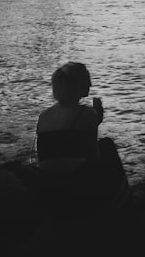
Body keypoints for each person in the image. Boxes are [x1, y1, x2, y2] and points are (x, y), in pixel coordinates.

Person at [34, 62, 128, 212]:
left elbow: (57, 147)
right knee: (107, 145)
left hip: (47, 186)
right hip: (76, 186)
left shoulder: (43, 116)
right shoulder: (87, 114)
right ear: (80, 85)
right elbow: (93, 157)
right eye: (87, 81)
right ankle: (121, 202)